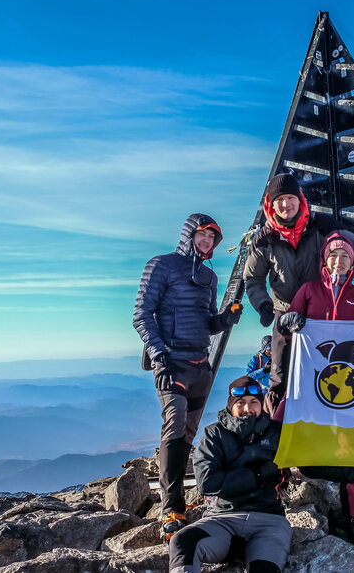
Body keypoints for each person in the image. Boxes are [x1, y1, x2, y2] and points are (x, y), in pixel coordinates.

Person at [242, 173, 354, 415]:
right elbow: (253, 278)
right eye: (279, 199)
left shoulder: (321, 225)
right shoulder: (264, 238)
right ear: (271, 204)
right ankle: (279, 438)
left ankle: (333, 428)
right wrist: (263, 305)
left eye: (290, 197)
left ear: (300, 199)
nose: (285, 204)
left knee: (330, 371)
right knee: (280, 378)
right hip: (285, 314)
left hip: (320, 309)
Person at [133, 213, 243, 540]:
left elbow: (209, 323)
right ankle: (171, 508)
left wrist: (226, 319)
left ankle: (177, 501)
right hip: (171, 361)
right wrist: (158, 354)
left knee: (188, 433)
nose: (207, 241)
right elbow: (141, 314)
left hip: (200, 365)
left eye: (213, 238)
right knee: (176, 421)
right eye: (203, 235)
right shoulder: (161, 265)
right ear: (189, 235)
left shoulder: (209, 277)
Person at [276, 232, 354, 542]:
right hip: (307, 379)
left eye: (344, 255)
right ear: (324, 260)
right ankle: (273, 493)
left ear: (353, 262)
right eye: (333, 254)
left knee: (351, 444)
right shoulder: (309, 291)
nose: (338, 260)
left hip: (345, 386)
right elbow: (285, 328)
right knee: (279, 429)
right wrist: (289, 321)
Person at [168, 376, 291, 573]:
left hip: (269, 522)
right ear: (230, 405)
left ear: (262, 404)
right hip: (222, 519)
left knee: (264, 568)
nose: (247, 409)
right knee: (182, 541)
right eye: (240, 403)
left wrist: (351, 469)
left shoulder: (279, 433)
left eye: (254, 403)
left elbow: (309, 463)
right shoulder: (214, 435)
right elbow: (207, 483)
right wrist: (257, 475)